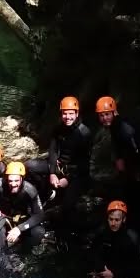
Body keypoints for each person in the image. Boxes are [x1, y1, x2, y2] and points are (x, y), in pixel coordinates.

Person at [40, 96, 94, 231]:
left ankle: (62, 232)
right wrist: (52, 173)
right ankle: (47, 194)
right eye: (65, 113)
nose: (67, 117)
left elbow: (85, 163)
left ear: (76, 114)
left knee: (67, 205)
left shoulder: (84, 133)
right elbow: (52, 151)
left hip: (76, 174)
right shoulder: (58, 128)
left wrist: (68, 180)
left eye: (71, 113)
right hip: (59, 167)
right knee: (30, 166)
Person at [87, 199, 140, 278]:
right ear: (107, 218)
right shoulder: (102, 232)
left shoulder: (130, 238)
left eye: (117, 220)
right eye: (111, 219)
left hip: (120, 277)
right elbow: (93, 251)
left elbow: (135, 265)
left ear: (123, 219)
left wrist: (115, 273)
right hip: (102, 272)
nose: (113, 223)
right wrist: (101, 268)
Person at [93, 96, 140, 181]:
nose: (104, 118)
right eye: (101, 115)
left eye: (107, 114)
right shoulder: (112, 127)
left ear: (114, 113)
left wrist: (134, 168)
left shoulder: (123, 128)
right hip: (123, 166)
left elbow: (135, 149)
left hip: (133, 166)